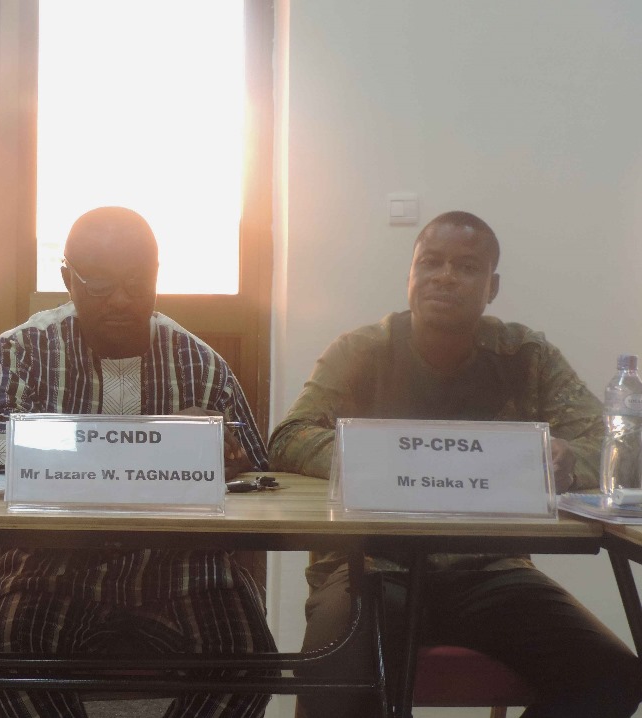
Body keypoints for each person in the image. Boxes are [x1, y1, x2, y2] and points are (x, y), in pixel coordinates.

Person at [269, 211, 642, 717]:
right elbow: (289, 436)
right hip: (371, 563)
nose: (445, 277)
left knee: (611, 675)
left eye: (466, 267)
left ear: (492, 287)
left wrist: (567, 458)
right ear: (410, 274)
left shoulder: (525, 355)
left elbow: (615, 447)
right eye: (431, 262)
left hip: (491, 567)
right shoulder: (363, 350)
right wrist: (379, 457)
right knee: (338, 675)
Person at [0, 206, 277, 718]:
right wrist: (160, 440)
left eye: (137, 283)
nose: (120, 300)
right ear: (67, 279)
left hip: (184, 568)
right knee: (8, 655)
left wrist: (225, 451)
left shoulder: (199, 362)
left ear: (157, 276)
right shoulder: (22, 351)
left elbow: (257, 466)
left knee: (248, 663)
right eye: (99, 285)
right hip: (51, 566)